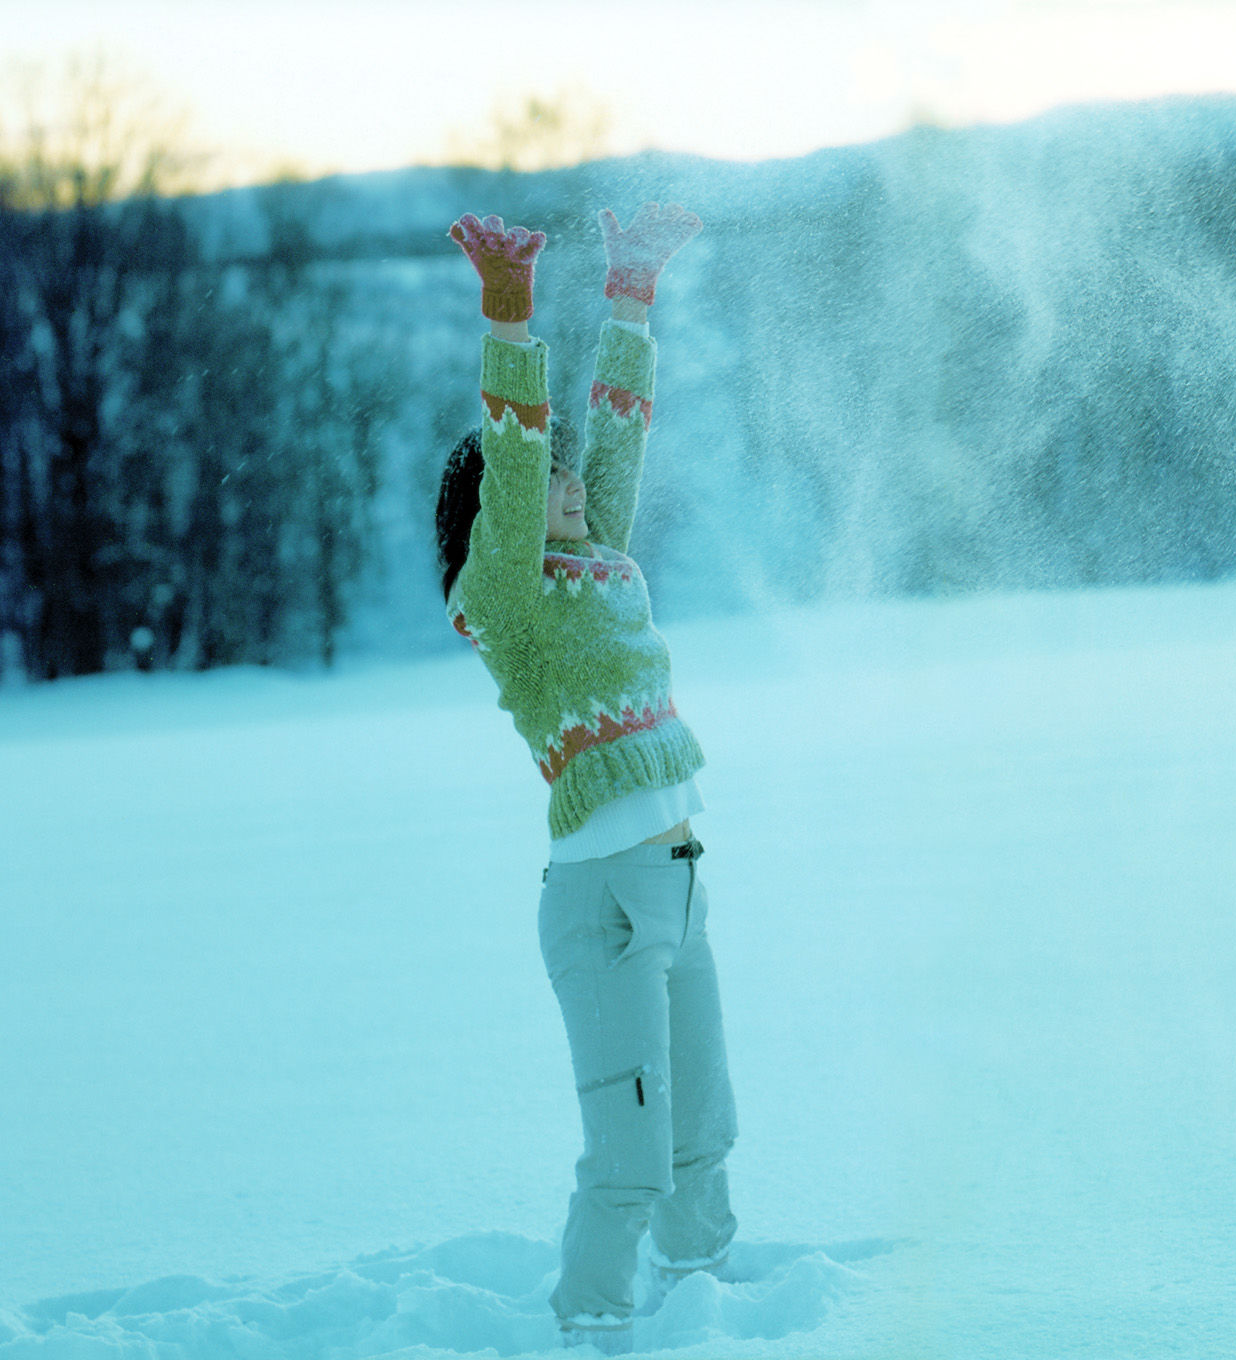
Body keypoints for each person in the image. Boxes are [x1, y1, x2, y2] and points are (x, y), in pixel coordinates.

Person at [436, 205, 737, 1353]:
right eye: (545, 484)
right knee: (631, 1157)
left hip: (678, 876)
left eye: (569, 483)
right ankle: (595, 1328)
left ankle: (707, 1303)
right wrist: (508, 315)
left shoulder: (593, 554)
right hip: (604, 898)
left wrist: (630, 296)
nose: (567, 487)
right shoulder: (506, 599)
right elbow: (521, 462)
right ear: (493, 521)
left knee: (703, 1130)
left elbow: (617, 436)